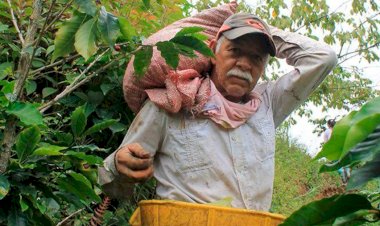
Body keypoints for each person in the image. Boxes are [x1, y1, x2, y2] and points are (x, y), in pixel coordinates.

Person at [98, 12, 337, 211]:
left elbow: (323, 58)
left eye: (256, 57)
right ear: (212, 51)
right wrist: (121, 167)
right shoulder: (174, 102)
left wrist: (260, 27)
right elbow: (111, 184)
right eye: (235, 51)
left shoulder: (268, 105)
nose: (245, 64)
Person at [323, 119, 351, 184]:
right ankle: (348, 174)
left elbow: (326, 143)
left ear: (328, 125)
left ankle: (343, 177)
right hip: (342, 148)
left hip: (333, 150)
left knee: (337, 164)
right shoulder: (339, 129)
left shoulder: (327, 132)